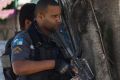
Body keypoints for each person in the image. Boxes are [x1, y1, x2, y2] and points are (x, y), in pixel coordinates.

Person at [11, 0, 73, 80]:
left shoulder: (58, 37)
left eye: (59, 16)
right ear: (40, 17)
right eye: (54, 16)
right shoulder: (24, 38)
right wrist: (55, 64)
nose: (58, 20)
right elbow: (18, 67)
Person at [2, 3, 36, 80]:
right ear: (27, 23)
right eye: (37, 21)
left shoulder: (9, 43)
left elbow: (5, 70)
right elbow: (6, 68)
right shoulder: (28, 42)